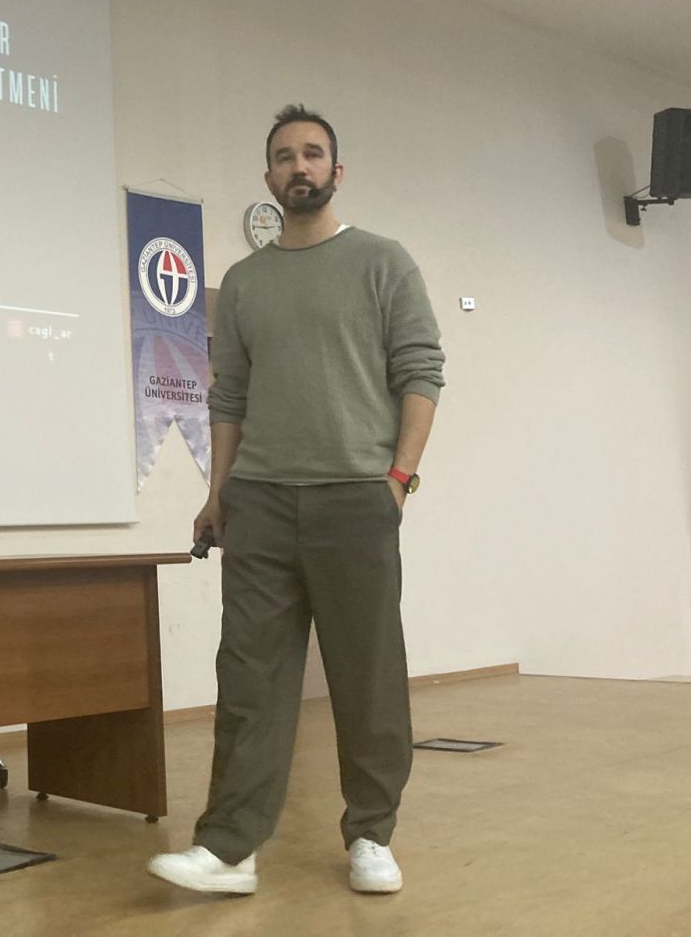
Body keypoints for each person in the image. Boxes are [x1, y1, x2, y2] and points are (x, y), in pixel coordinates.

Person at [148, 104, 445, 898]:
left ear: (336, 172)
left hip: (356, 498)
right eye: (285, 156)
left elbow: (421, 372)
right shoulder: (246, 282)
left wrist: (398, 481)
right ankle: (229, 848)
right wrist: (217, 494)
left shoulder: (383, 262)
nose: (299, 166)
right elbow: (228, 398)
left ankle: (372, 833)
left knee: (367, 676)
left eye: (313, 154)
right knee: (249, 677)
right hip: (261, 503)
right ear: (269, 177)